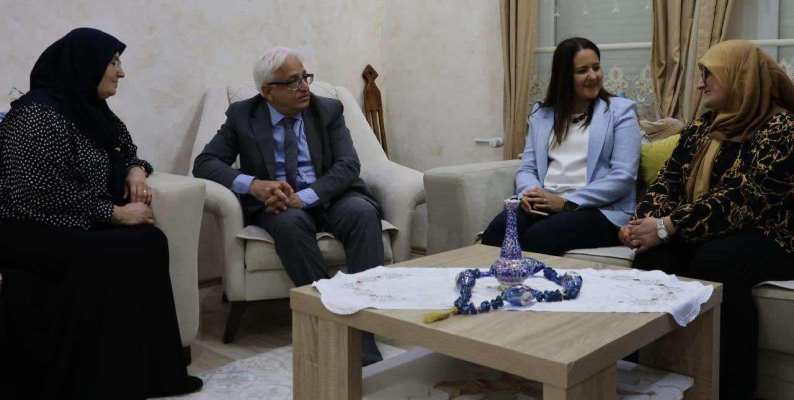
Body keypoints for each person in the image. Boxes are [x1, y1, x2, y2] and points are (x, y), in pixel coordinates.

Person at [0, 28, 202, 399]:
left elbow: (125, 148)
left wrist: (135, 169)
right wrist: (115, 214)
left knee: (149, 241)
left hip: (74, 218)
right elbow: (39, 193)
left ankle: (145, 374)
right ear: (85, 65)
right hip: (29, 226)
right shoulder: (36, 116)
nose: (121, 72)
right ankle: (102, 381)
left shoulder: (91, 109)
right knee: (130, 246)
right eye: (113, 62)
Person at [619, 40, 794, 399]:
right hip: (709, 229)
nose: (700, 84)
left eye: (709, 74)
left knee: (716, 261)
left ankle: (731, 389)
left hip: (772, 235)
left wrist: (668, 226)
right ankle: (642, 380)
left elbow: (745, 199)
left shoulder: (782, 127)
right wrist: (644, 223)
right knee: (653, 257)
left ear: (740, 77)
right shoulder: (704, 126)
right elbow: (666, 181)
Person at [192, 46, 384, 365]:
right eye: (293, 81)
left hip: (330, 195)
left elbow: (348, 165)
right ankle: (331, 320)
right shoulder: (243, 115)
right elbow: (206, 163)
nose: (304, 87)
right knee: (290, 223)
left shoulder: (327, 110)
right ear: (267, 91)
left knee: (363, 213)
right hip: (280, 205)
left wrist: (306, 196)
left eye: (305, 77)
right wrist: (254, 185)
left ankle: (365, 334)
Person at [481, 37, 641, 255]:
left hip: (597, 209)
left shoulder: (621, 112)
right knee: (497, 233)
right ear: (564, 76)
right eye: (582, 71)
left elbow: (623, 176)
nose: (593, 76)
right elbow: (527, 168)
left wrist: (565, 202)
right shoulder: (542, 114)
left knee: (538, 238)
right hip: (545, 203)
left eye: (596, 67)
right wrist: (531, 194)